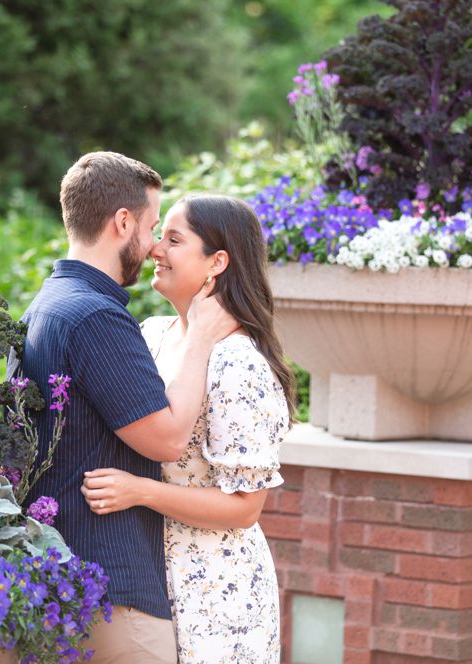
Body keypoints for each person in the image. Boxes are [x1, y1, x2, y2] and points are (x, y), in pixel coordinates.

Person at [15, 151, 235, 663]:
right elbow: (168, 440)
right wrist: (201, 336)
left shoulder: (46, 302)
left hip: (60, 576)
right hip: (112, 588)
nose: (156, 243)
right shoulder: (96, 317)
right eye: (154, 226)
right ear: (122, 222)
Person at [82, 195, 292, 662]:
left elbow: (244, 508)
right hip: (147, 569)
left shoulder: (241, 365)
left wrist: (140, 492)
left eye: (174, 240)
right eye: (161, 235)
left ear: (217, 262)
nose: (156, 249)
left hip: (218, 591)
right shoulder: (152, 333)